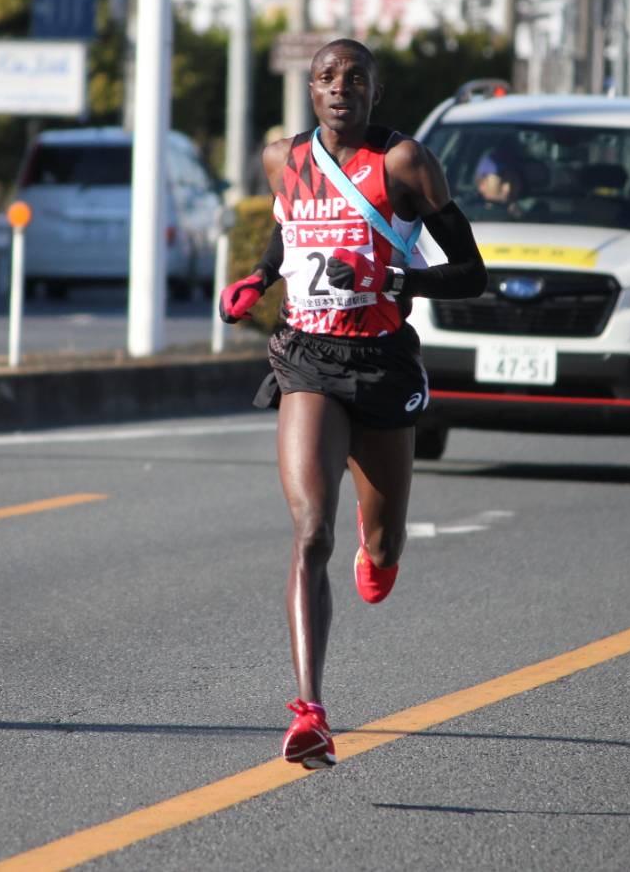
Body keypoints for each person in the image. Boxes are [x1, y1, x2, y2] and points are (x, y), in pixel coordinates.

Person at [217, 39, 487, 770]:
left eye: (356, 80)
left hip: (381, 364)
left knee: (381, 540)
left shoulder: (405, 163)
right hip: (306, 356)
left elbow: (471, 273)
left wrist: (398, 281)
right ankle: (310, 710)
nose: (341, 90)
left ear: (374, 92)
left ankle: (382, 551)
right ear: (310, 90)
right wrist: (259, 276)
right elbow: (289, 228)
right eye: (328, 79)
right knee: (310, 533)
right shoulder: (283, 159)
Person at [471, 147, 526, 218]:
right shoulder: (468, 214)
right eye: (501, 182)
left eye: (513, 181)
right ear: (482, 184)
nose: (508, 188)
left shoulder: (530, 212)